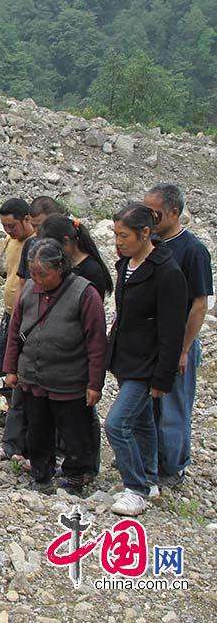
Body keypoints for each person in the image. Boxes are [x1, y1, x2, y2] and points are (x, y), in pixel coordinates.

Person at [2, 239, 107, 495]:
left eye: (43, 274)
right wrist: (11, 368)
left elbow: (96, 342)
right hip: (34, 377)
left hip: (69, 378)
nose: (37, 279)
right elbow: (15, 330)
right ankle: (41, 472)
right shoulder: (29, 291)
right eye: (33, 273)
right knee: (37, 428)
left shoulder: (85, 294)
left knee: (74, 430)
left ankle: (76, 474)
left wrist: (95, 384)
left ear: (60, 268)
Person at [105, 204, 187, 516]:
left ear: (145, 233)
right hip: (126, 357)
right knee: (141, 422)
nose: (118, 241)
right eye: (115, 235)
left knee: (117, 423)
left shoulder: (167, 273)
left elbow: (171, 330)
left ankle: (135, 488)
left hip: (147, 364)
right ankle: (149, 479)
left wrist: (162, 377)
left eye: (124, 235)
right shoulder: (126, 264)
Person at [144, 183, 213, 487]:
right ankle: (150, 459)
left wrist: (184, 348)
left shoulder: (193, 250)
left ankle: (173, 467)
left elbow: (199, 303)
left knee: (173, 406)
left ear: (173, 211)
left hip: (177, 342)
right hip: (150, 340)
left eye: (154, 212)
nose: (149, 217)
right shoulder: (152, 243)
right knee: (149, 403)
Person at [37, 213, 113, 477]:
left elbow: (92, 322)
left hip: (77, 352)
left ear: (68, 242)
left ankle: (85, 464)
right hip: (59, 351)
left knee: (81, 413)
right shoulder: (65, 266)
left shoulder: (90, 272)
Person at [0, 198, 36, 457]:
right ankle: (11, 411)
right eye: (5, 226)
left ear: (26, 220)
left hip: (23, 316)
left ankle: (20, 421)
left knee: (16, 368)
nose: (9, 231)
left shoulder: (35, 245)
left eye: (12, 226)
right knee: (2, 366)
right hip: (9, 312)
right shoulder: (12, 241)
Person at [38, 215, 114, 299]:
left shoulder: (92, 271)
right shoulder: (62, 264)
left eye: (53, 248)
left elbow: (93, 306)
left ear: (66, 241)